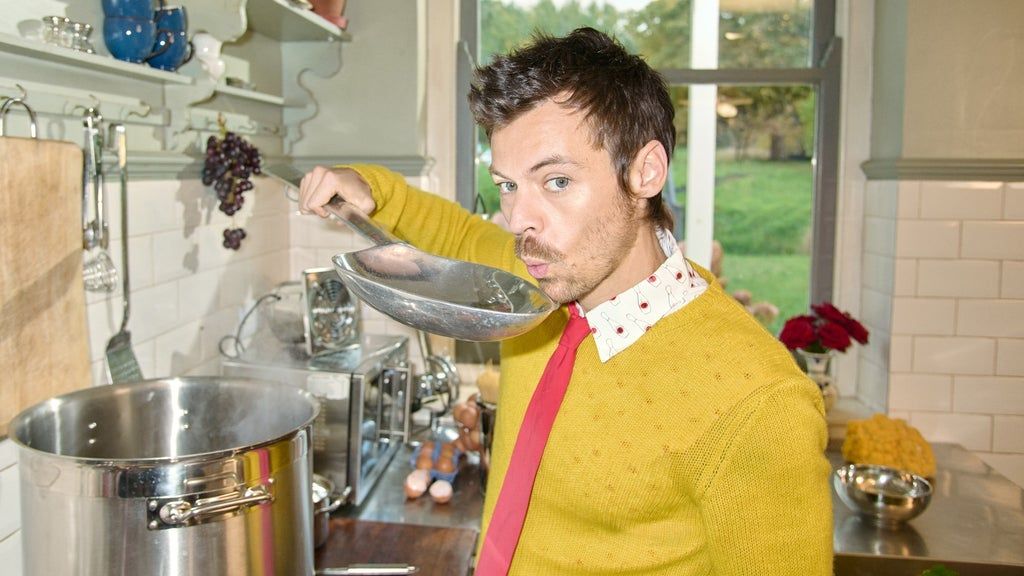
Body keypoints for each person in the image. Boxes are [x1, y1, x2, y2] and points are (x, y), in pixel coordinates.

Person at [299, 27, 832, 576]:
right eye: (508, 185)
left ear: (645, 172)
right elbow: (457, 236)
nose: (519, 221)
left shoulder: (759, 402)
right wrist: (368, 189)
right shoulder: (528, 286)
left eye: (555, 181)